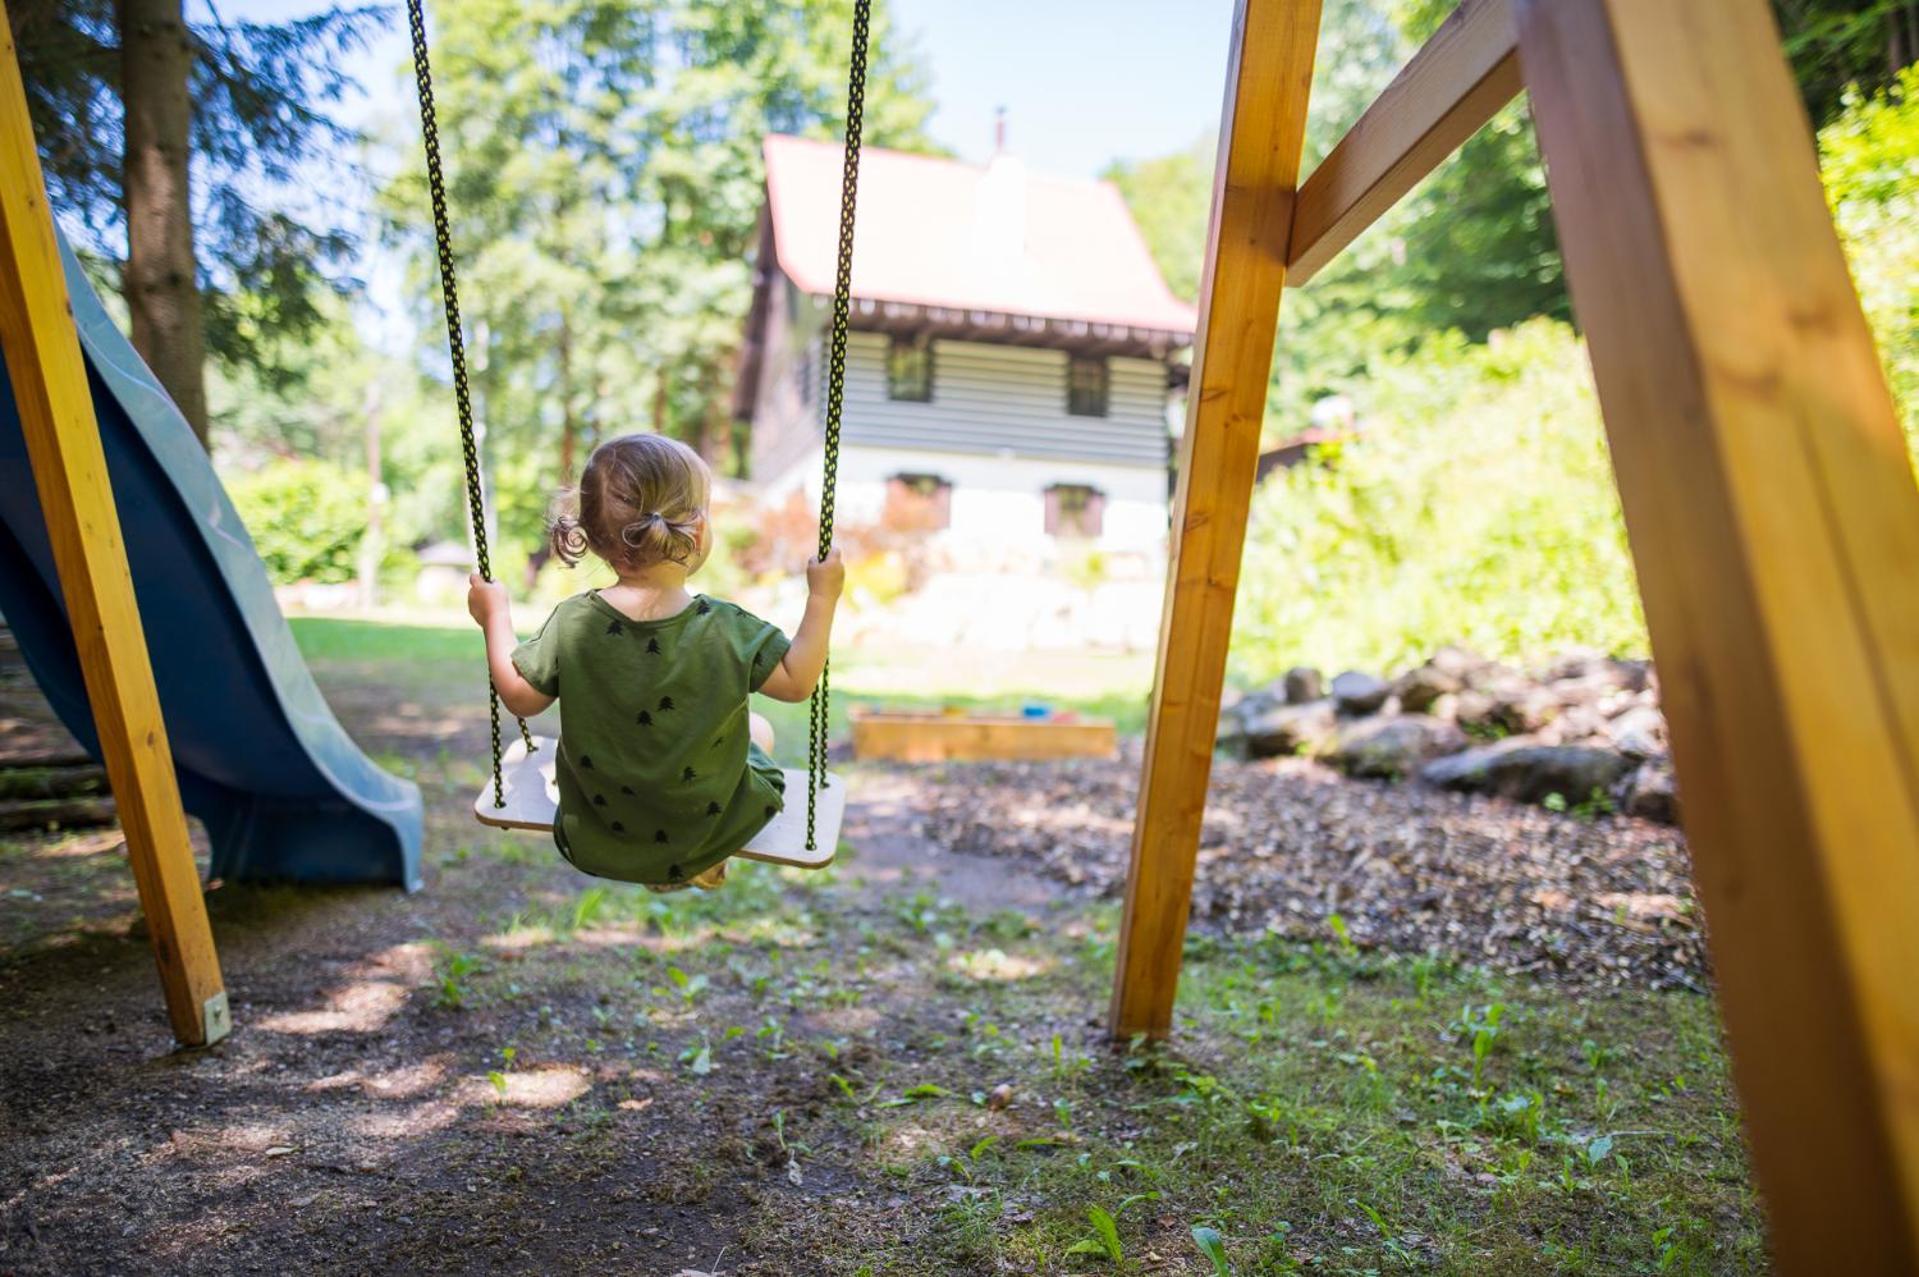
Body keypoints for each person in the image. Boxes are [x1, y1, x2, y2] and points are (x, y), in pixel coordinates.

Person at [467, 434, 843, 890]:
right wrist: (823, 597)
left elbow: (520, 698)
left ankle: (663, 859)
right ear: (699, 530)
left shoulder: (574, 623)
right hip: (704, 824)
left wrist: (495, 616)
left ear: (594, 535)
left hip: (598, 834)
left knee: (736, 735)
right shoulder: (728, 628)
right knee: (758, 730)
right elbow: (798, 682)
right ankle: (694, 858)